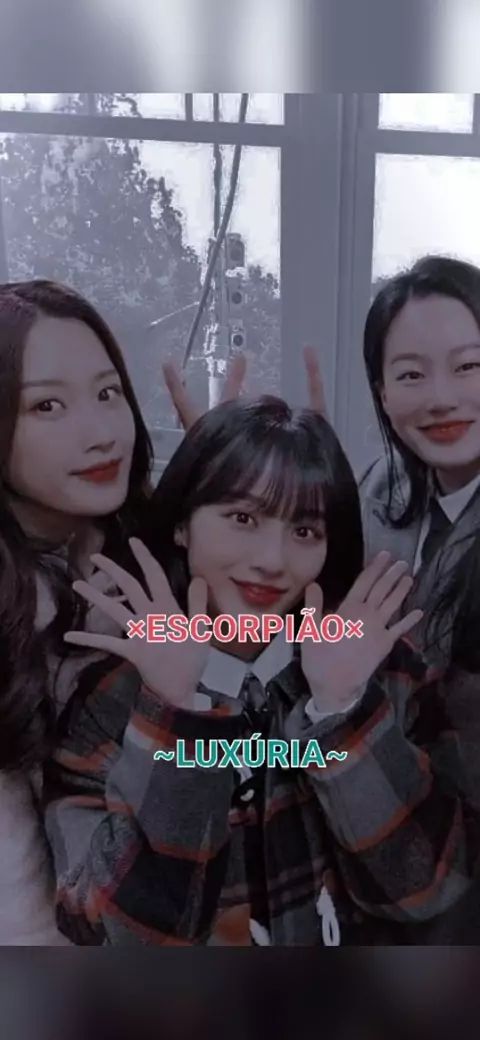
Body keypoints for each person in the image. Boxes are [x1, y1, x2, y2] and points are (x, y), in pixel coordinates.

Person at [44, 396, 480, 946]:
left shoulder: (383, 671)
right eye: (243, 519)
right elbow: (118, 937)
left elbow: (427, 889)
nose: (272, 560)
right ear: (182, 526)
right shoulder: (109, 698)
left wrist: (341, 710)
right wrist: (175, 713)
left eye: (305, 531)